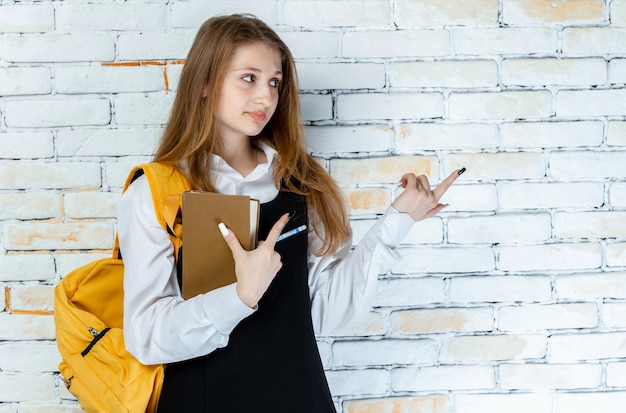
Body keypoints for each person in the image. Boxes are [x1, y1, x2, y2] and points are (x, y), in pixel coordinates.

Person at [117, 13, 463, 413]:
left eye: (274, 82)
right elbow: (145, 336)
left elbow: (324, 313)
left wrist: (396, 223)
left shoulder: (301, 184)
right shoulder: (157, 191)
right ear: (205, 83)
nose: (265, 96)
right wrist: (239, 296)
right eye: (249, 77)